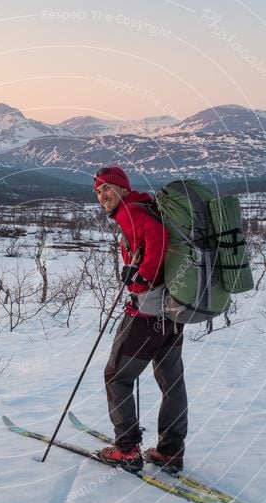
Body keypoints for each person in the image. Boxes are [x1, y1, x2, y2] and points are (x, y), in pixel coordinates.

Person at [93, 166, 187, 473]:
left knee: (116, 376)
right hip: (171, 312)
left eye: (107, 188)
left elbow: (157, 236)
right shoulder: (144, 206)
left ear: (122, 188)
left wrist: (143, 276)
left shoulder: (131, 212)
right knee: (171, 382)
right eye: (98, 191)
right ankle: (170, 452)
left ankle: (127, 450)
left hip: (147, 314)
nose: (102, 196)